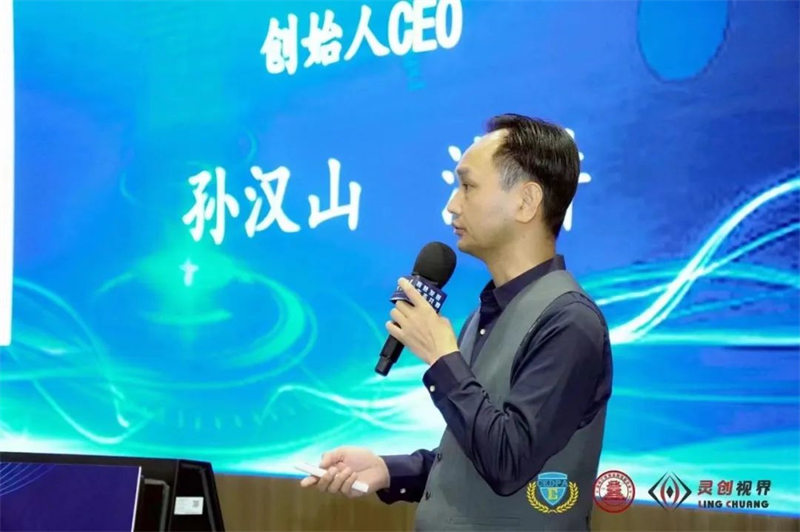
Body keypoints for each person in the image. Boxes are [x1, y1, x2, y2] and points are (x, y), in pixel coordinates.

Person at [300, 114, 612, 531]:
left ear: (526, 201)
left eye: (467, 186)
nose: (451, 205)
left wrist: (441, 358)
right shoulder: (484, 314)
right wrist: (387, 469)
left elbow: (508, 461)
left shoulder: (570, 321)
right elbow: (470, 457)